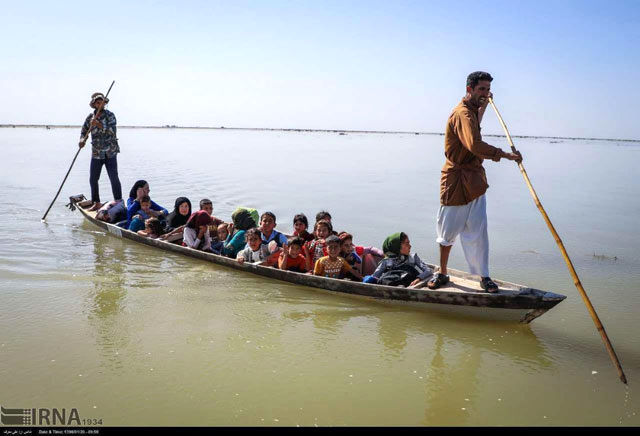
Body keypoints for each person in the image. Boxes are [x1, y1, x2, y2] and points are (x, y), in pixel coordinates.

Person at [428, 71, 522, 293]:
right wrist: (505, 155)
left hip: (475, 180)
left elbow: (474, 126)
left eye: (488, 90)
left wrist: (485, 106)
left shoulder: (471, 112)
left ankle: (484, 276)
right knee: (447, 233)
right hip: (456, 180)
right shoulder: (462, 113)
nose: (486, 93)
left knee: (479, 232)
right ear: (469, 89)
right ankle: (442, 273)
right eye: (481, 89)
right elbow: (474, 145)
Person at [79, 92, 122, 211]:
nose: (100, 104)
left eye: (102, 102)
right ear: (94, 104)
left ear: (104, 103)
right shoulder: (90, 118)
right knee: (93, 178)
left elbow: (113, 131)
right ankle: (96, 202)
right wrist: (82, 140)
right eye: (97, 102)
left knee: (114, 177)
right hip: (97, 153)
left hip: (110, 152)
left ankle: (118, 201)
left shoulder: (110, 115)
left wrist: (99, 125)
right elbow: (84, 132)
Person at [364, 232, 432, 287]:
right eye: (407, 243)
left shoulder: (413, 257)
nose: (410, 246)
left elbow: (428, 270)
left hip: (410, 285)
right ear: (397, 247)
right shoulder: (387, 261)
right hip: (391, 287)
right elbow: (375, 276)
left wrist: (418, 279)